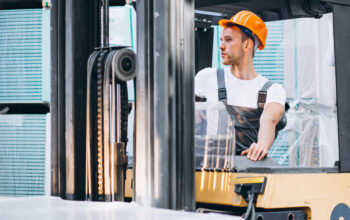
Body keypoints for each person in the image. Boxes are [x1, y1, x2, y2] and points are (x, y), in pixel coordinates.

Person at [195, 10, 286, 162]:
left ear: (247, 45)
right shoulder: (206, 78)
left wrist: (261, 145)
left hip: (246, 170)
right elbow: (185, 116)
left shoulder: (272, 90)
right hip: (206, 170)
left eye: (228, 40)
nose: (221, 46)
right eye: (221, 40)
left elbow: (269, 120)